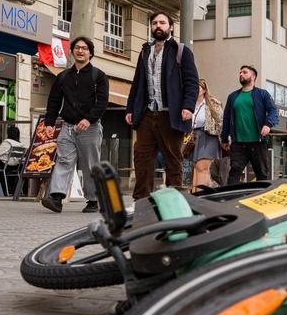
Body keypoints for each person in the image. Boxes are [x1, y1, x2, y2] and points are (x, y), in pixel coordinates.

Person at [125, 12, 200, 200]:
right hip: (147, 114)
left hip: (171, 115)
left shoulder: (181, 51)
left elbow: (192, 82)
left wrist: (188, 106)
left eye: (162, 22)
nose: (158, 26)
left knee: (173, 160)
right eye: (154, 23)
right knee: (141, 158)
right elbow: (137, 83)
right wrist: (130, 109)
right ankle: (141, 200)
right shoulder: (145, 51)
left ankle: (174, 201)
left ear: (171, 27)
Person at [41, 37, 110, 213]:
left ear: (90, 53)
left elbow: (102, 102)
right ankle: (56, 198)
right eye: (77, 48)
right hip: (67, 127)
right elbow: (54, 101)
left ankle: (93, 200)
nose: (80, 51)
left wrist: (89, 119)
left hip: (90, 128)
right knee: (64, 160)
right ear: (72, 51)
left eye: (85, 48)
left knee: (89, 165)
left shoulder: (99, 76)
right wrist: (49, 122)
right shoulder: (63, 77)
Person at [220, 65, 279, 184]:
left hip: (258, 143)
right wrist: (224, 138)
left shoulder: (262, 94)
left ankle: (263, 195)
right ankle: (231, 195)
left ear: (253, 77)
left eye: (244, 72)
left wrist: (268, 124)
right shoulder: (233, 97)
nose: (241, 74)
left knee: (262, 175)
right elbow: (226, 118)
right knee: (234, 174)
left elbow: (273, 110)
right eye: (240, 72)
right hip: (238, 144)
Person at [190, 78, 224, 192]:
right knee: (196, 167)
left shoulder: (213, 103)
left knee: (202, 167)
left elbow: (220, 122)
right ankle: (203, 192)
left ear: (204, 90)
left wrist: (224, 140)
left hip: (208, 136)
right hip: (192, 137)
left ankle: (201, 195)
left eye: (198, 88)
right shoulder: (189, 103)